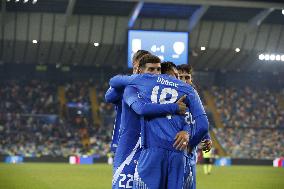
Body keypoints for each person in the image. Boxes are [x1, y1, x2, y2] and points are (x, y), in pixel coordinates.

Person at [109, 59, 209, 189]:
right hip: (179, 153)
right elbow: (202, 125)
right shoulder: (186, 90)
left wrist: (136, 77)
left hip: (152, 151)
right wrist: (190, 143)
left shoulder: (146, 81)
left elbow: (114, 84)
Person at [177, 64, 213, 189]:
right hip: (176, 152)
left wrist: (206, 138)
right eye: (180, 77)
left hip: (191, 154)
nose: (184, 81)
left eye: (187, 77)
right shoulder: (169, 98)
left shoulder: (194, 98)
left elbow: (199, 122)